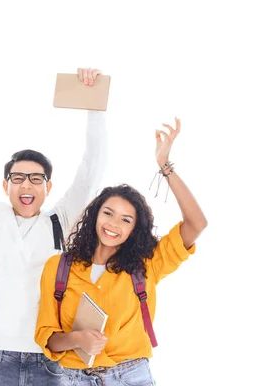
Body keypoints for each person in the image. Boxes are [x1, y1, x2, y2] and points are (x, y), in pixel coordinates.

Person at [0, 63, 108, 385]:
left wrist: (94, 107)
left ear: (48, 187)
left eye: (36, 179)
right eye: (18, 178)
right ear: (5, 185)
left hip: (47, 358)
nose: (26, 186)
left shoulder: (60, 220)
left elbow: (91, 170)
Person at [35, 117, 207, 385]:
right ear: (94, 216)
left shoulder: (147, 265)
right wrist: (76, 339)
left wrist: (165, 166)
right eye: (108, 213)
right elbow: (47, 335)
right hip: (71, 378)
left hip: (131, 376)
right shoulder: (58, 267)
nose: (114, 224)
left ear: (134, 229)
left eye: (126, 220)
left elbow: (197, 223)